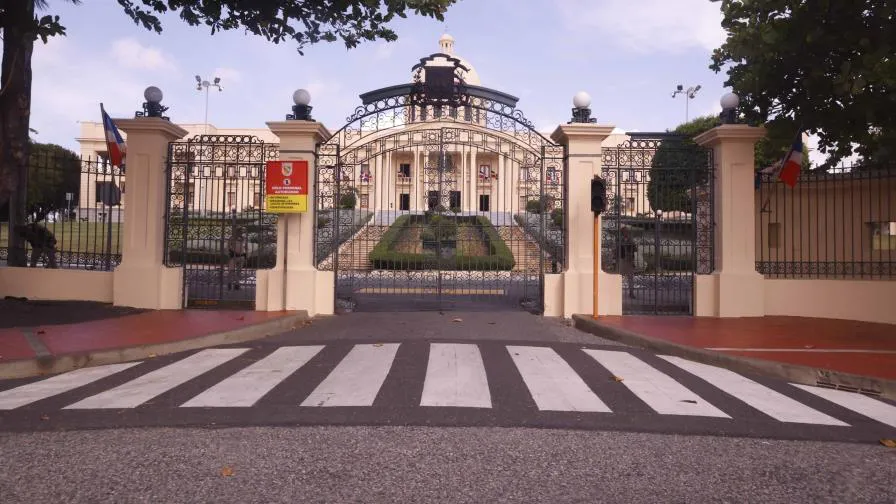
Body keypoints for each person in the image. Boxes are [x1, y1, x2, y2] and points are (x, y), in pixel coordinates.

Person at [226, 226, 248, 290]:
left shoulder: (244, 239)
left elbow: (246, 248)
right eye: (239, 231)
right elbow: (228, 247)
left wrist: (246, 257)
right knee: (231, 271)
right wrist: (231, 252)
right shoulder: (232, 238)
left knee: (238, 271)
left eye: (241, 231)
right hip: (233, 256)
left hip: (241, 257)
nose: (240, 232)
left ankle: (236, 285)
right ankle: (230, 283)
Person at [618, 227, 636, 299]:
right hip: (622, 260)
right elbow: (617, 249)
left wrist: (630, 245)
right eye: (624, 232)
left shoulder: (631, 240)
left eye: (627, 232)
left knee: (630, 278)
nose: (626, 233)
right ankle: (617, 292)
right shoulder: (619, 239)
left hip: (629, 260)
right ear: (622, 233)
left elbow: (635, 249)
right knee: (619, 277)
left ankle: (631, 293)